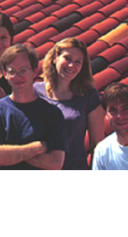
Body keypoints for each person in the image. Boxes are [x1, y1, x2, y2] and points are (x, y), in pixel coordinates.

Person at [0, 44, 67, 170]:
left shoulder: (52, 113)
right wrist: (37, 148)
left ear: (34, 72)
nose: (18, 77)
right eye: (12, 71)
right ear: (5, 74)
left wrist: (8, 153)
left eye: (23, 71)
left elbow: (55, 163)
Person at [34, 37, 105, 171]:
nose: (72, 65)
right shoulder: (35, 91)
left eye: (78, 62)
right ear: (55, 58)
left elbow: (98, 145)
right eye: (67, 58)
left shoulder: (89, 96)